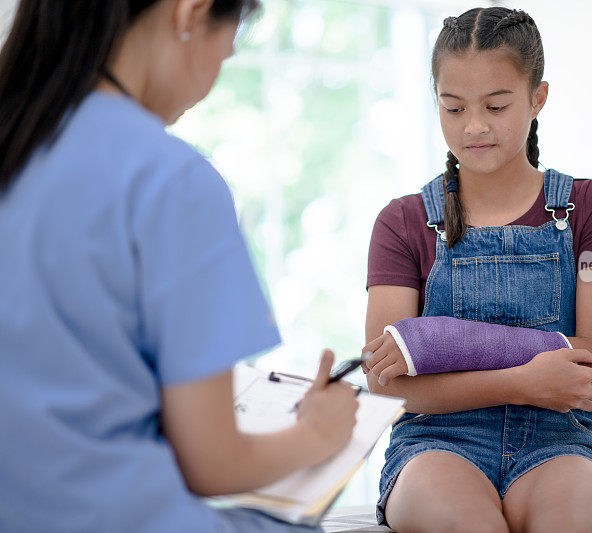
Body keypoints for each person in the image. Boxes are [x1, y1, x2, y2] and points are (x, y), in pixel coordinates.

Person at [0, 1, 358, 531]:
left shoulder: (19, 140)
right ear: (190, 14)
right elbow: (211, 464)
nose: (209, 84)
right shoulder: (171, 178)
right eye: (227, 52)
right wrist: (317, 434)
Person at [362, 7, 592, 533]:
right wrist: (524, 380)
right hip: (435, 443)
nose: (474, 126)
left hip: (560, 440)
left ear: (538, 98)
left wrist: (439, 344)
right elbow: (386, 381)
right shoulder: (401, 222)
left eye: (496, 105)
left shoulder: (591, 208)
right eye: (453, 107)